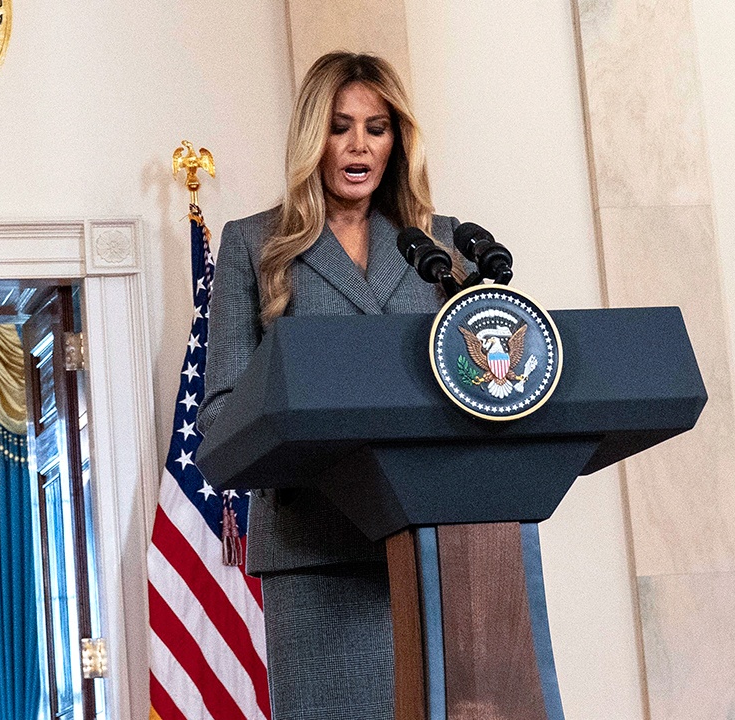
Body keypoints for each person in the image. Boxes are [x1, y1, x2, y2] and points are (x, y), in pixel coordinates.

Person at [198, 52, 467, 720]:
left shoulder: (444, 245)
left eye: (376, 128)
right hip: (313, 551)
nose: (358, 146)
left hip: (432, 543)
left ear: (397, 140)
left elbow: (477, 385)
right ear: (311, 138)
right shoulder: (253, 244)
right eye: (339, 127)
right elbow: (221, 414)